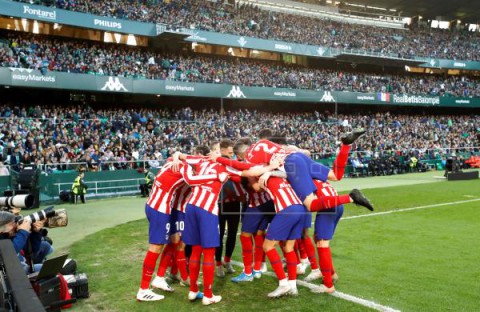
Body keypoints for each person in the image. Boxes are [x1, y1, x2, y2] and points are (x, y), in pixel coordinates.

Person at [215, 139, 245, 278]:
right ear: (221, 150)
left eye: (232, 151)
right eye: (229, 151)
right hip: (220, 204)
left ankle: (227, 260)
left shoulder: (233, 164)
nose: (231, 153)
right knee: (219, 235)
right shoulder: (217, 163)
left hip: (234, 203)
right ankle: (218, 264)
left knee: (232, 233)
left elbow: (240, 179)